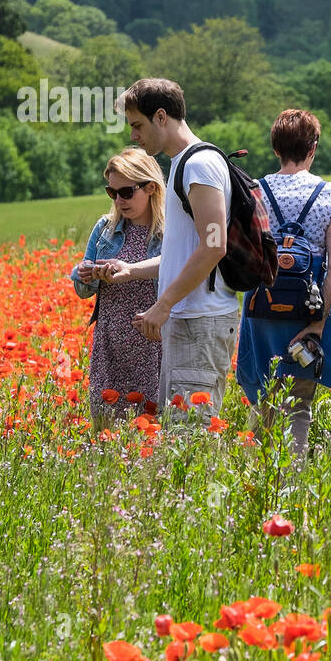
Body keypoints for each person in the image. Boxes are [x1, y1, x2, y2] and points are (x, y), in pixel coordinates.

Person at [97, 78, 239, 417]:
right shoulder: (182, 164)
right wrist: (132, 270)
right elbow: (183, 253)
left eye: (137, 125)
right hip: (188, 320)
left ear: (161, 116)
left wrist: (163, 304)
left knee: (192, 436)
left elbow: (214, 245)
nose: (133, 135)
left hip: (200, 320)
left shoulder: (199, 166)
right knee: (179, 437)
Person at [236, 109, 331, 459]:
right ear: (313, 146)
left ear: (275, 149)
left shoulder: (254, 190)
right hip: (307, 310)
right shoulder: (330, 194)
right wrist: (317, 324)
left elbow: (241, 253)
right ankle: (289, 485)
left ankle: (256, 476)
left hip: (261, 308)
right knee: (298, 404)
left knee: (262, 396)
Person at [69, 148, 165, 424]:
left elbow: (177, 274)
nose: (119, 200)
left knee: (151, 426)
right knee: (106, 425)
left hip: (152, 341)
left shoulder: (167, 231)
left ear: (150, 188)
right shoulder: (105, 228)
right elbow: (82, 289)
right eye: (113, 193)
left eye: (126, 192)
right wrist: (87, 274)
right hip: (110, 342)